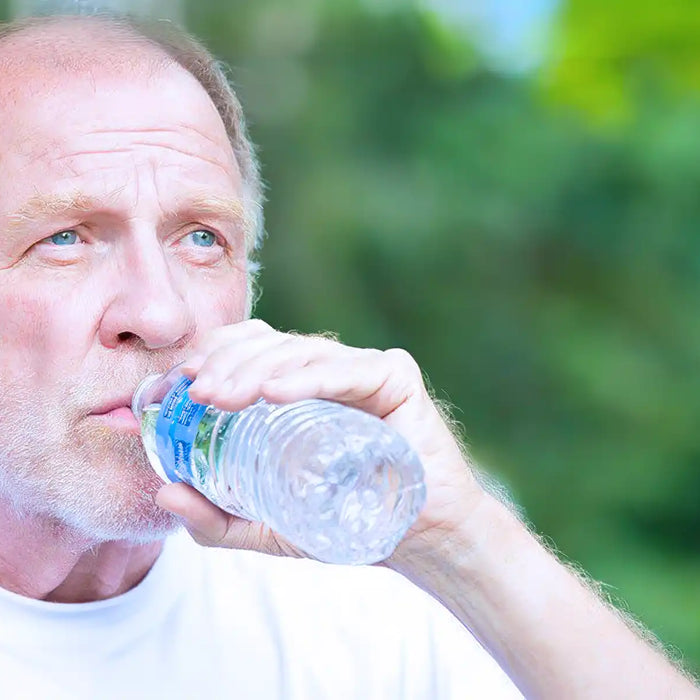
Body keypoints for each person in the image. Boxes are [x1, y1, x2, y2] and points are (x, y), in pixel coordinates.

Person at [0, 11, 696, 699]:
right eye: (65, 238)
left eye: (202, 238)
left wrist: (462, 542)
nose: (159, 314)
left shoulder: (353, 591)